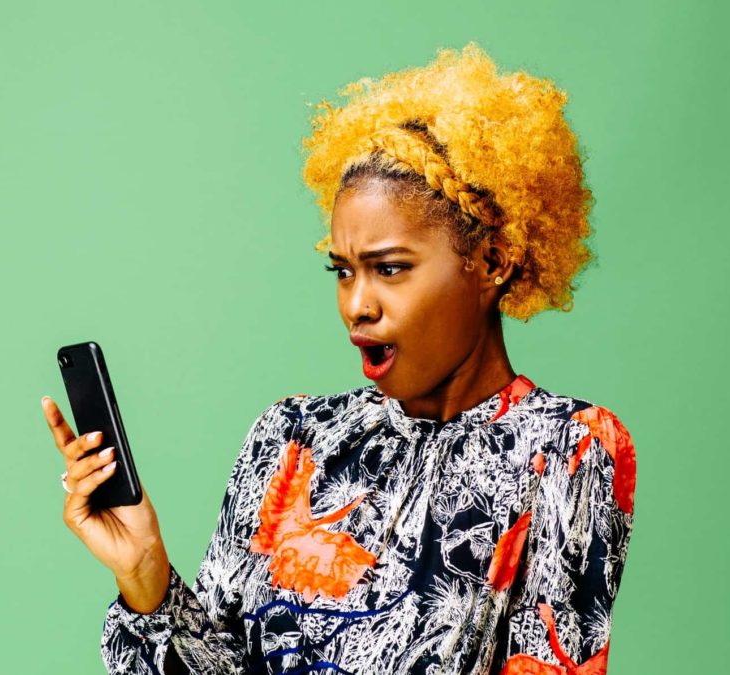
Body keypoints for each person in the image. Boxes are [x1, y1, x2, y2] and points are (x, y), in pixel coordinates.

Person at [42, 43, 637, 675]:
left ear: (491, 262)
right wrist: (144, 572)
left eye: (390, 269)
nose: (357, 305)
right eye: (343, 271)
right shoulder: (291, 438)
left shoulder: (568, 450)